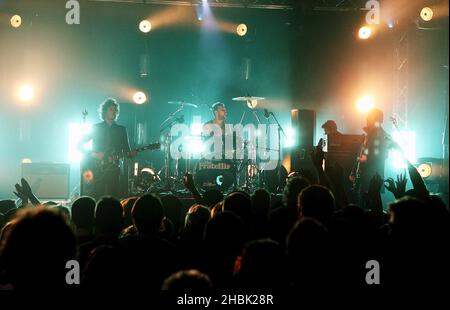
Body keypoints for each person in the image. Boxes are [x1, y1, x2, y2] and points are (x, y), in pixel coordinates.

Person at [80, 98, 136, 199]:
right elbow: (79, 145)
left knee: (113, 196)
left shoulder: (121, 130)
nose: (114, 112)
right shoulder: (96, 128)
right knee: (97, 195)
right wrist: (94, 154)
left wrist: (131, 154)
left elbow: (126, 151)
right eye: (111, 109)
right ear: (105, 111)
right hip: (97, 168)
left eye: (115, 110)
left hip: (114, 168)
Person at [350, 108, 394, 198]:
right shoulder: (368, 135)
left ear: (375, 119)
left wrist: (367, 159)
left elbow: (384, 155)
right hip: (363, 176)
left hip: (372, 177)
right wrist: (353, 171)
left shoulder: (383, 135)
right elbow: (361, 155)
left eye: (369, 117)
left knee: (372, 204)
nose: (366, 119)